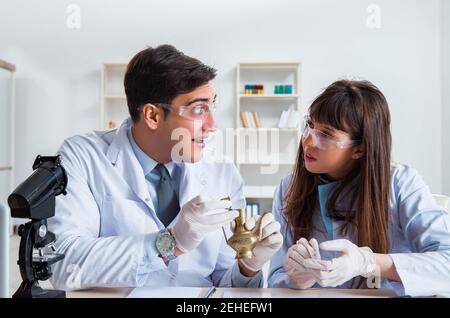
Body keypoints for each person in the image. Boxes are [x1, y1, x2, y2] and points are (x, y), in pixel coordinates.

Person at [48, 44, 282, 290]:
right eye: (199, 110)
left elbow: (223, 284)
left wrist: (249, 267)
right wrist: (169, 243)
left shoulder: (221, 171)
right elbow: (63, 264)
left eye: (211, 107)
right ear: (153, 116)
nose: (212, 125)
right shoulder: (83, 157)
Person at [268, 80, 450, 296]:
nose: (307, 140)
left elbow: (446, 264)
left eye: (326, 134)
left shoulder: (401, 183)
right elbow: (275, 281)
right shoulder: (289, 188)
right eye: (309, 125)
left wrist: (368, 262)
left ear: (359, 149)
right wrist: (296, 279)